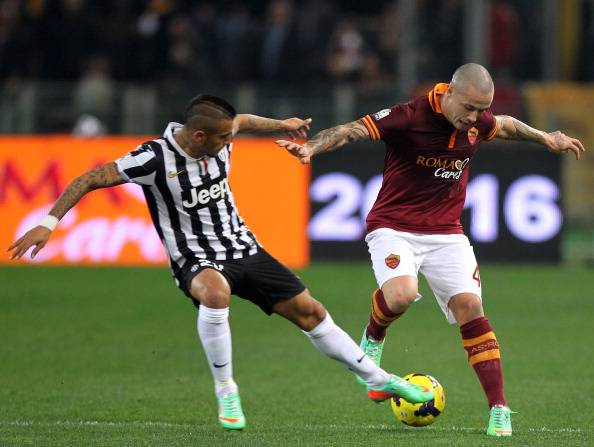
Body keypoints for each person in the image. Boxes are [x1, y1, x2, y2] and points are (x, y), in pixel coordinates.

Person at [7, 94, 434, 430]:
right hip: (195, 256)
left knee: (311, 312)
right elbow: (88, 178)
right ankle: (226, 388)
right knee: (215, 294)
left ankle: (377, 378)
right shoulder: (153, 159)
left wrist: (281, 125)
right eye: (223, 140)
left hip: (243, 246)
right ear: (197, 138)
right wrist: (48, 223)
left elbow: (242, 121)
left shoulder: (217, 130)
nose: (230, 143)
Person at [276, 63, 586, 437]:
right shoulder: (409, 117)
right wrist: (313, 146)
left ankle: (499, 408)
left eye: (480, 110)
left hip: (447, 234)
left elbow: (503, 124)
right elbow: (352, 130)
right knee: (403, 295)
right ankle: (373, 337)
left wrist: (545, 137)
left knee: (471, 308)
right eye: (469, 108)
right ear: (449, 92)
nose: (474, 118)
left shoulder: (477, 121)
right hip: (393, 227)